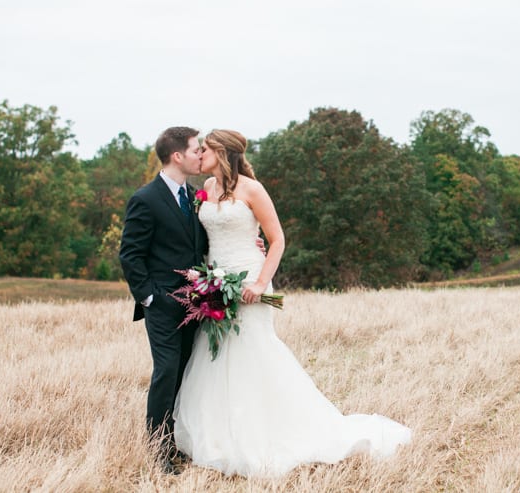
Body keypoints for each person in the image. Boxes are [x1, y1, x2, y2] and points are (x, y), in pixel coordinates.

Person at [173, 129, 411, 478]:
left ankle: (270, 432)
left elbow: (277, 239)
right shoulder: (206, 189)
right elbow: (204, 237)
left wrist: (258, 283)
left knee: (253, 351)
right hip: (217, 282)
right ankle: (222, 437)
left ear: (222, 151)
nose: (200, 154)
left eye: (205, 149)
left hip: (251, 282)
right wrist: (208, 278)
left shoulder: (253, 189)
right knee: (217, 354)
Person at [119, 126, 208, 474]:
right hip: (162, 306)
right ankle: (158, 450)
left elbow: (201, 244)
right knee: (166, 372)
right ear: (177, 156)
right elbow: (130, 255)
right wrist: (150, 298)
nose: (200, 155)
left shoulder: (195, 195)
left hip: (198, 303)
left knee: (187, 372)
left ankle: (179, 442)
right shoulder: (146, 198)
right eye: (195, 149)